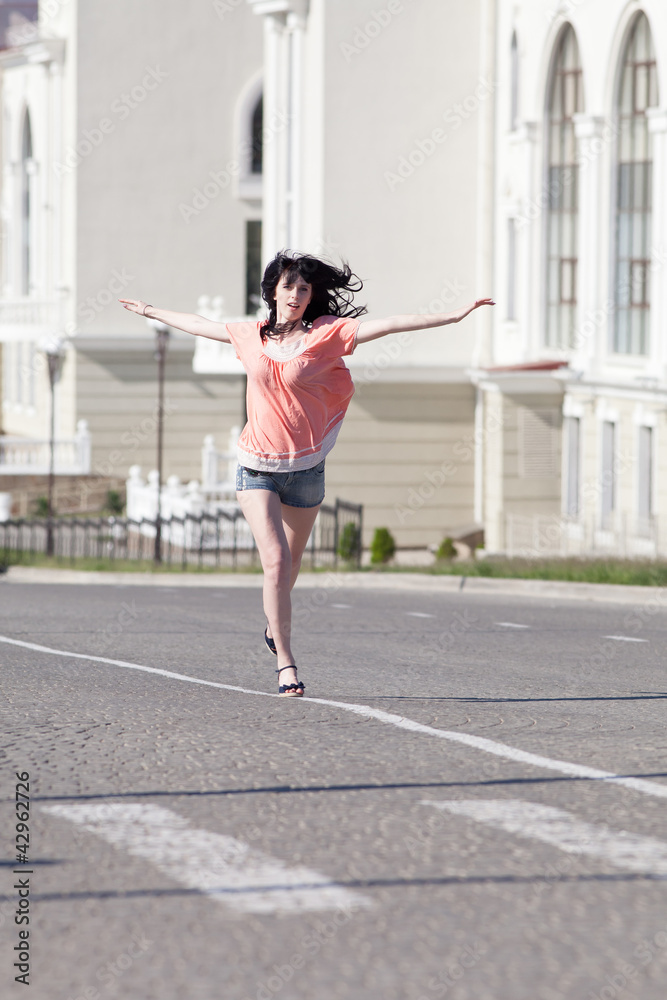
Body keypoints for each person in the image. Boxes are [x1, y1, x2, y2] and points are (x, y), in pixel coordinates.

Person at [120, 250, 494, 697]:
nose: (296, 295)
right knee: (275, 561)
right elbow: (201, 324)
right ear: (273, 291)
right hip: (256, 467)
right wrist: (149, 311)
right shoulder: (249, 335)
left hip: (306, 470)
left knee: (291, 567)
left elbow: (392, 324)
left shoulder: (328, 334)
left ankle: (271, 623)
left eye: (304, 289)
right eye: (288, 287)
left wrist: (453, 317)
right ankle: (286, 663)